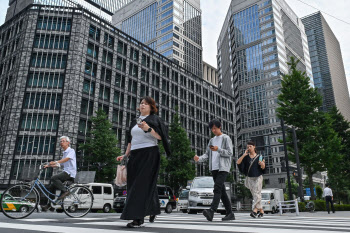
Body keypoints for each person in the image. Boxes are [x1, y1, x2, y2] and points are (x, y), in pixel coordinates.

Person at [116, 96, 170, 228]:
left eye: (146, 104)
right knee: (135, 184)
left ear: (151, 107)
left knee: (140, 186)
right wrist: (125, 155)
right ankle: (152, 209)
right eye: (141, 103)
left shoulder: (155, 119)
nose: (142, 105)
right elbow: (130, 140)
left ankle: (137, 218)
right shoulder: (134, 121)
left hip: (149, 154)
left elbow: (161, 137)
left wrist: (149, 129)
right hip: (135, 155)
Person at [193, 119, 235, 221]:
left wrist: (218, 149)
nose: (213, 130)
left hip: (223, 168)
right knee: (222, 192)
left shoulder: (226, 138)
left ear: (220, 127)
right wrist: (199, 159)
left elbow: (230, 153)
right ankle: (230, 213)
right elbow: (207, 154)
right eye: (212, 129)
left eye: (215, 128)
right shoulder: (211, 140)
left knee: (217, 188)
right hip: (214, 168)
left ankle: (211, 211)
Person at [42, 136, 77, 211]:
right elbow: (60, 164)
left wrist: (56, 162)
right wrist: (48, 165)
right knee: (52, 186)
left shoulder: (71, 151)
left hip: (70, 173)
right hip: (66, 172)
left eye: (63, 141)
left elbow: (66, 159)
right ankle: (50, 205)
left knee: (54, 178)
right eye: (61, 141)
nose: (61, 142)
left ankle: (65, 191)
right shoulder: (64, 153)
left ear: (68, 143)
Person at [237, 141, 265, 218]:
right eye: (248, 147)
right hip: (250, 178)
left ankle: (255, 211)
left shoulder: (259, 156)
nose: (249, 148)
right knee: (255, 194)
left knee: (256, 193)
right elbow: (238, 162)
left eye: (250, 146)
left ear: (254, 147)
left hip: (258, 176)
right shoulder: (246, 157)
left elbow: (263, 167)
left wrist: (261, 164)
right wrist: (243, 155)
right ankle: (261, 210)